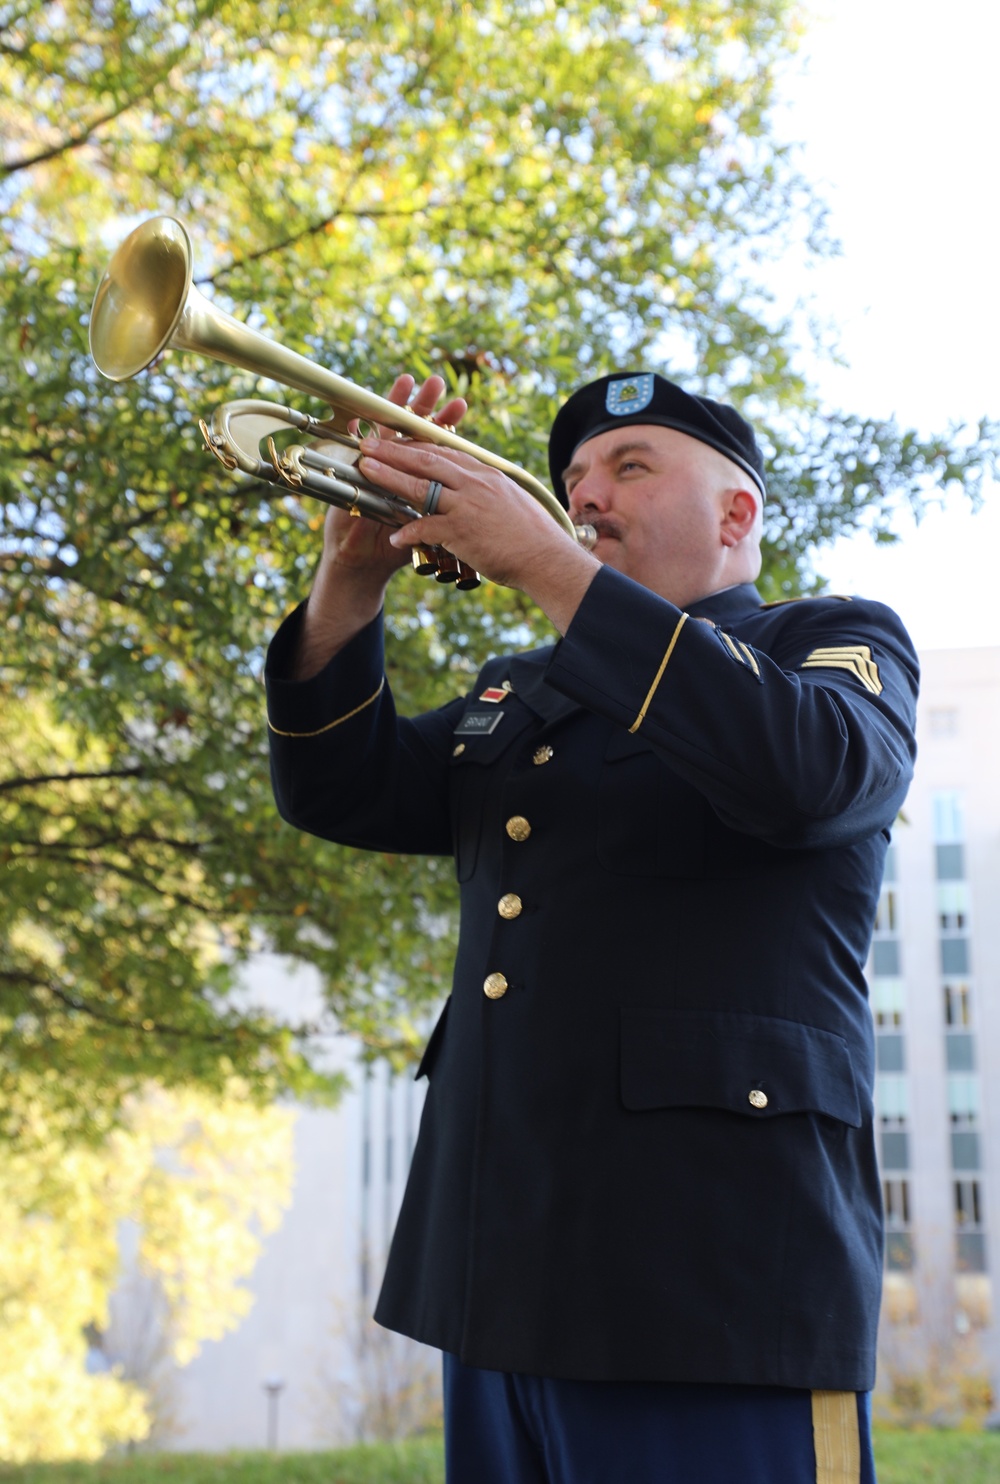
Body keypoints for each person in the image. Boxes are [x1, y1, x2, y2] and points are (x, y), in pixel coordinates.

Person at [264, 370, 919, 1484]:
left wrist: (548, 567)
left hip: (713, 1281)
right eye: (571, 478)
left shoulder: (830, 642)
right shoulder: (524, 690)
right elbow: (341, 788)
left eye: (629, 466)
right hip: (498, 1276)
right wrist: (348, 579)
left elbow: (810, 775)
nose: (586, 495)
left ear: (735, 514)